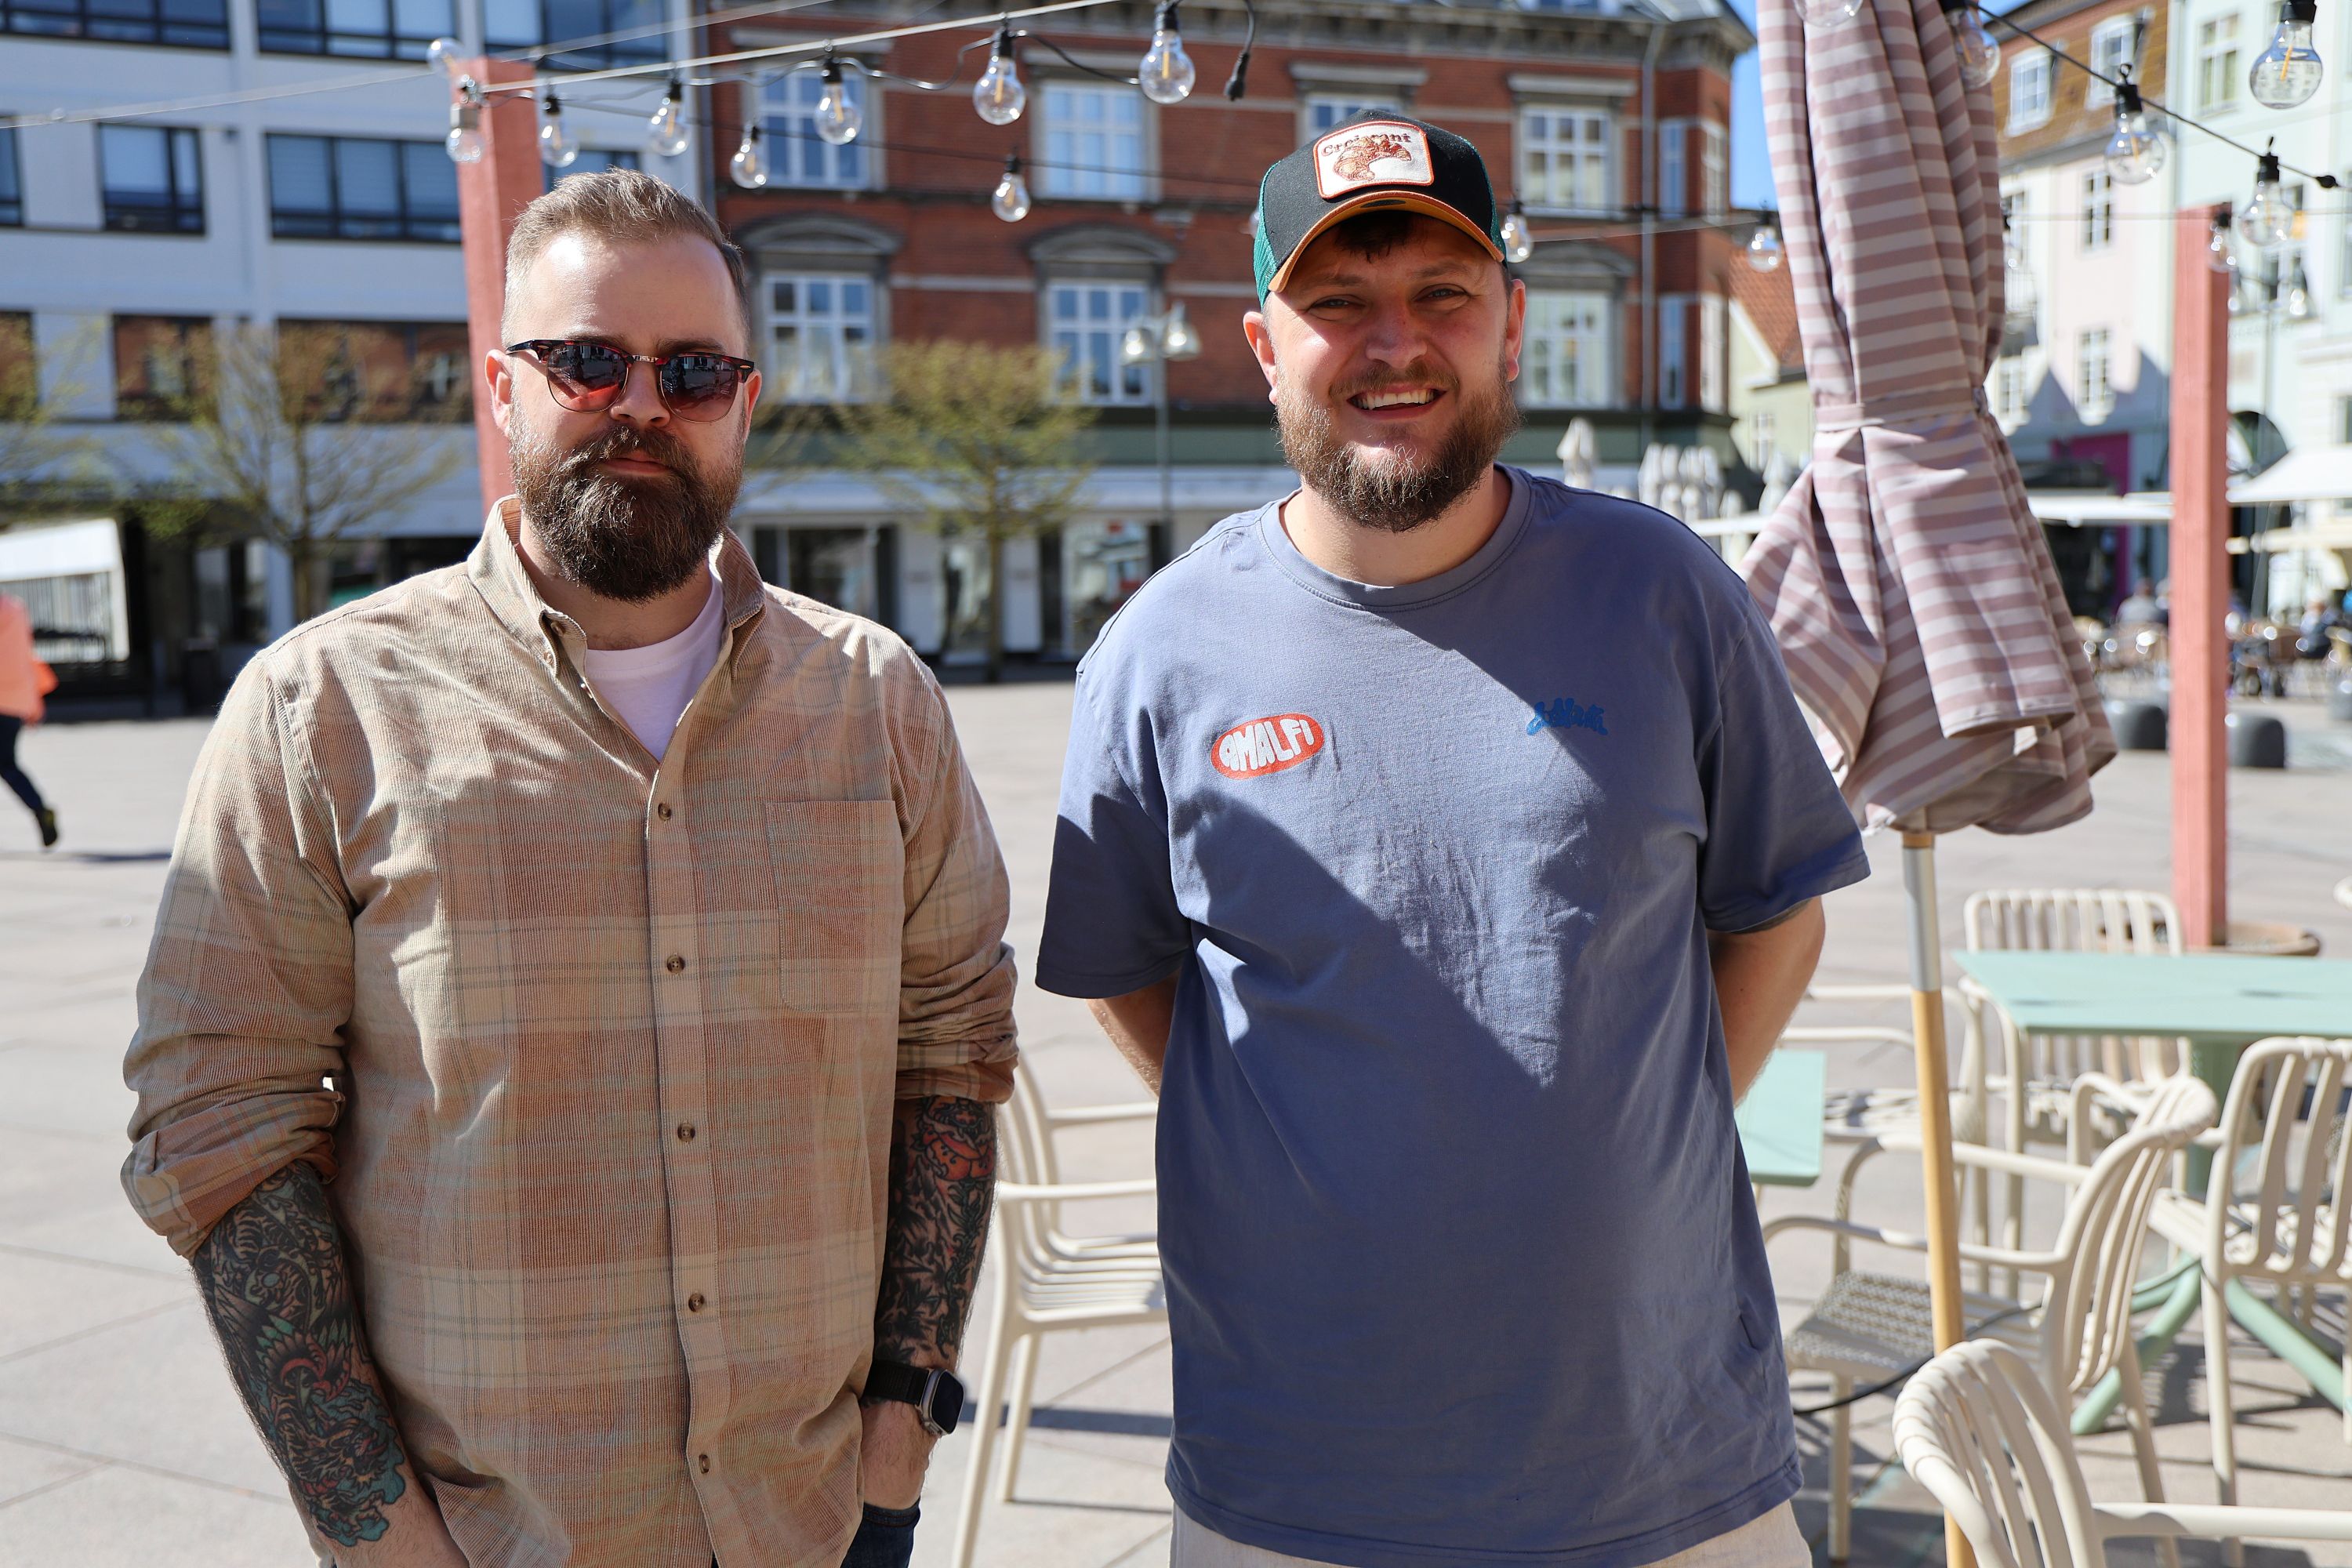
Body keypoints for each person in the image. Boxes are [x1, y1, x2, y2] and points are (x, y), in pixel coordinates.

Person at [122, 170, 1017, 1568]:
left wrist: (900, 1438)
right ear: (502, 389)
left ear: (744, 402)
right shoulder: (323, 710)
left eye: (694, 371)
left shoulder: (875, 699)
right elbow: (217, 1123)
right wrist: (380, 1537)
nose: (641, 405)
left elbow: (953, 1050)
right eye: (589, 361)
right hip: (496, 1539)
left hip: (824, 1520)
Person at [1037, 119, 1869, 1568]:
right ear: (1263, 346)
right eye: (1339, 302)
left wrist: (1632, 1138)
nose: (1395, 343)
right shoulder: (1160, 651)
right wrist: (1302, 1146)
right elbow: (1123, 968)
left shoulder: (1664, 592)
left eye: (1443, 293)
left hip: (1666, 1468)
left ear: (1513, 325)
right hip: (1295, 1480)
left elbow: (1777, 912)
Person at [0, 590, 57, 847]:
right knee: (7, 764)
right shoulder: (16, 608)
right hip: (16, 699)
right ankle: (39, 808)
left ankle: (40, 810)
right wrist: (33, 702)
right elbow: (24, 655)